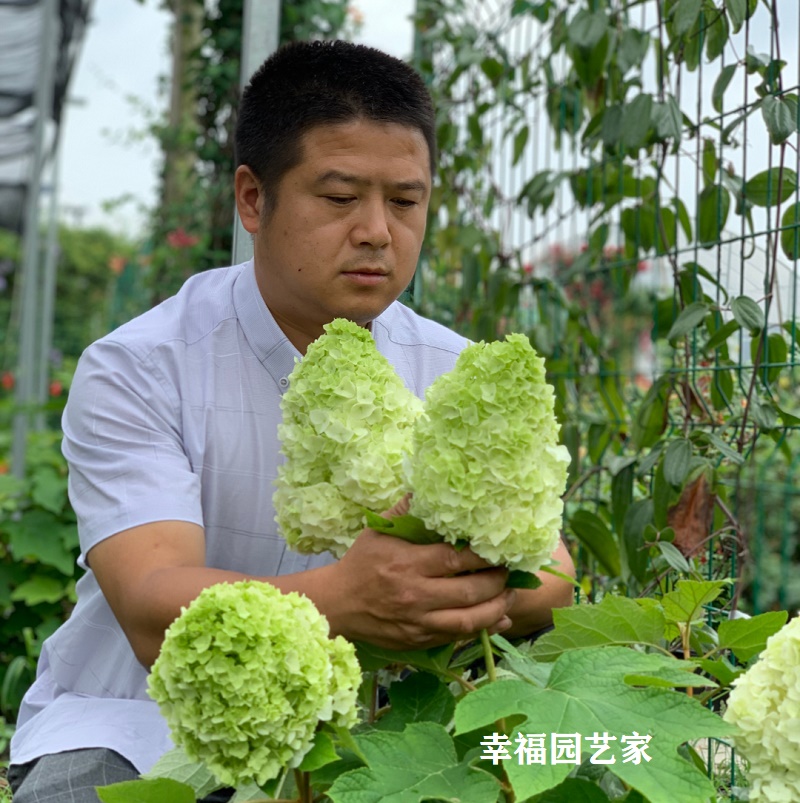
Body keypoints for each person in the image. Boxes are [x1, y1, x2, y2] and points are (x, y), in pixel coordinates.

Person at [8, 39, 575, 802]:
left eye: (406, 202)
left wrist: (451, 595)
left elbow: (555, 574)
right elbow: (152, 603)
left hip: (373, 743)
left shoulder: (453, 371)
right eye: (340, 198)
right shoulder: (142, 365)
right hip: (138, 731)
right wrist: (352, 595)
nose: (377, 230)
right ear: (252, 198)